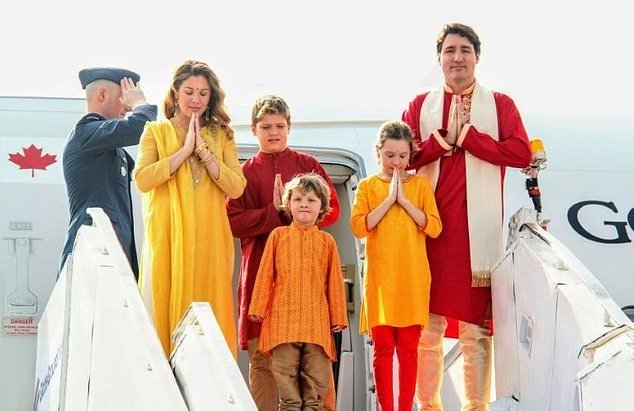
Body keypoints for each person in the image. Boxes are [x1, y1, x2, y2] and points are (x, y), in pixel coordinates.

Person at [401, 23, 532, 411]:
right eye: (450, 51)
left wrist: (469, 137)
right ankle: (428, 407)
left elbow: (521, 154)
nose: (457, 58)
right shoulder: (419, 104)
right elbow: (399, 156)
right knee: (428, 328)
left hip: (478, 234)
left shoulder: (501, 104)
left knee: (476, 330)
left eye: (465, 51)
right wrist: (442, 141)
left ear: (477, 57)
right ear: (439, 58)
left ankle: (477, 407)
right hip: (429, 230)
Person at [226, 94, 340, 411]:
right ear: (253, 130)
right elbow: (232, 221)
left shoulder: (308, 166)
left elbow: (333, 212)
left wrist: (297, 215)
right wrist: (274, 214)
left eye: (279, 126)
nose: (273, 132)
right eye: (266, 127)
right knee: (262, 363)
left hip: (306, 288)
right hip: (260, 284)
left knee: (315, 363)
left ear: (289, 127)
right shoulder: (245, 173)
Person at [133, 60, 246, 357]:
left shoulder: (223, 136)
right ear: (175, 93)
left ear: (212, 97)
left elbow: (236, 187)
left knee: (210, 314)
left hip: (210, 240)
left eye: (203, 93)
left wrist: (205, 154)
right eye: (189, 92)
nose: (196, 100)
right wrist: (184, 151)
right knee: (164, 308)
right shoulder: (155, 132)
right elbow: (143, 179)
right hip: (168, 238)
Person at [350, 120, 442, 411]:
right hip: (380, 280)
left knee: (408, 351)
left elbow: (435, 228)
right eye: (390, 155)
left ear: (410, 155)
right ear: (378, 153)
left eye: (402, 156)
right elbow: (358, 227)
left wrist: (404, 200)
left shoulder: (421, 186)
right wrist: (389, 199)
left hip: (412, 278)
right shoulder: (367, 186)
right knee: (382, 350)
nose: (397, 162)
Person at [248, 173, 348, 411]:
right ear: (288, 205)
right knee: (287, 389)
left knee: (315, 388)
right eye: (298, 199)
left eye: (312, 200)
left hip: (316, 325)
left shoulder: (327, 242)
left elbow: (334, 281)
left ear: (322, 207)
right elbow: (265, 274)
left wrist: (338, 317)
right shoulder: (278, 236)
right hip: (283, 324)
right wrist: (258, 308)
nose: (304, 204)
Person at [60, 67, 157, 278]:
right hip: (92, 259)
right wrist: (140, 103)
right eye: (124, 97)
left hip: (111, 258)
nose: (128, 107)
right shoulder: (85, 133)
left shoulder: (111, 147)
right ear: (102, 94)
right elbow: (142, 126)